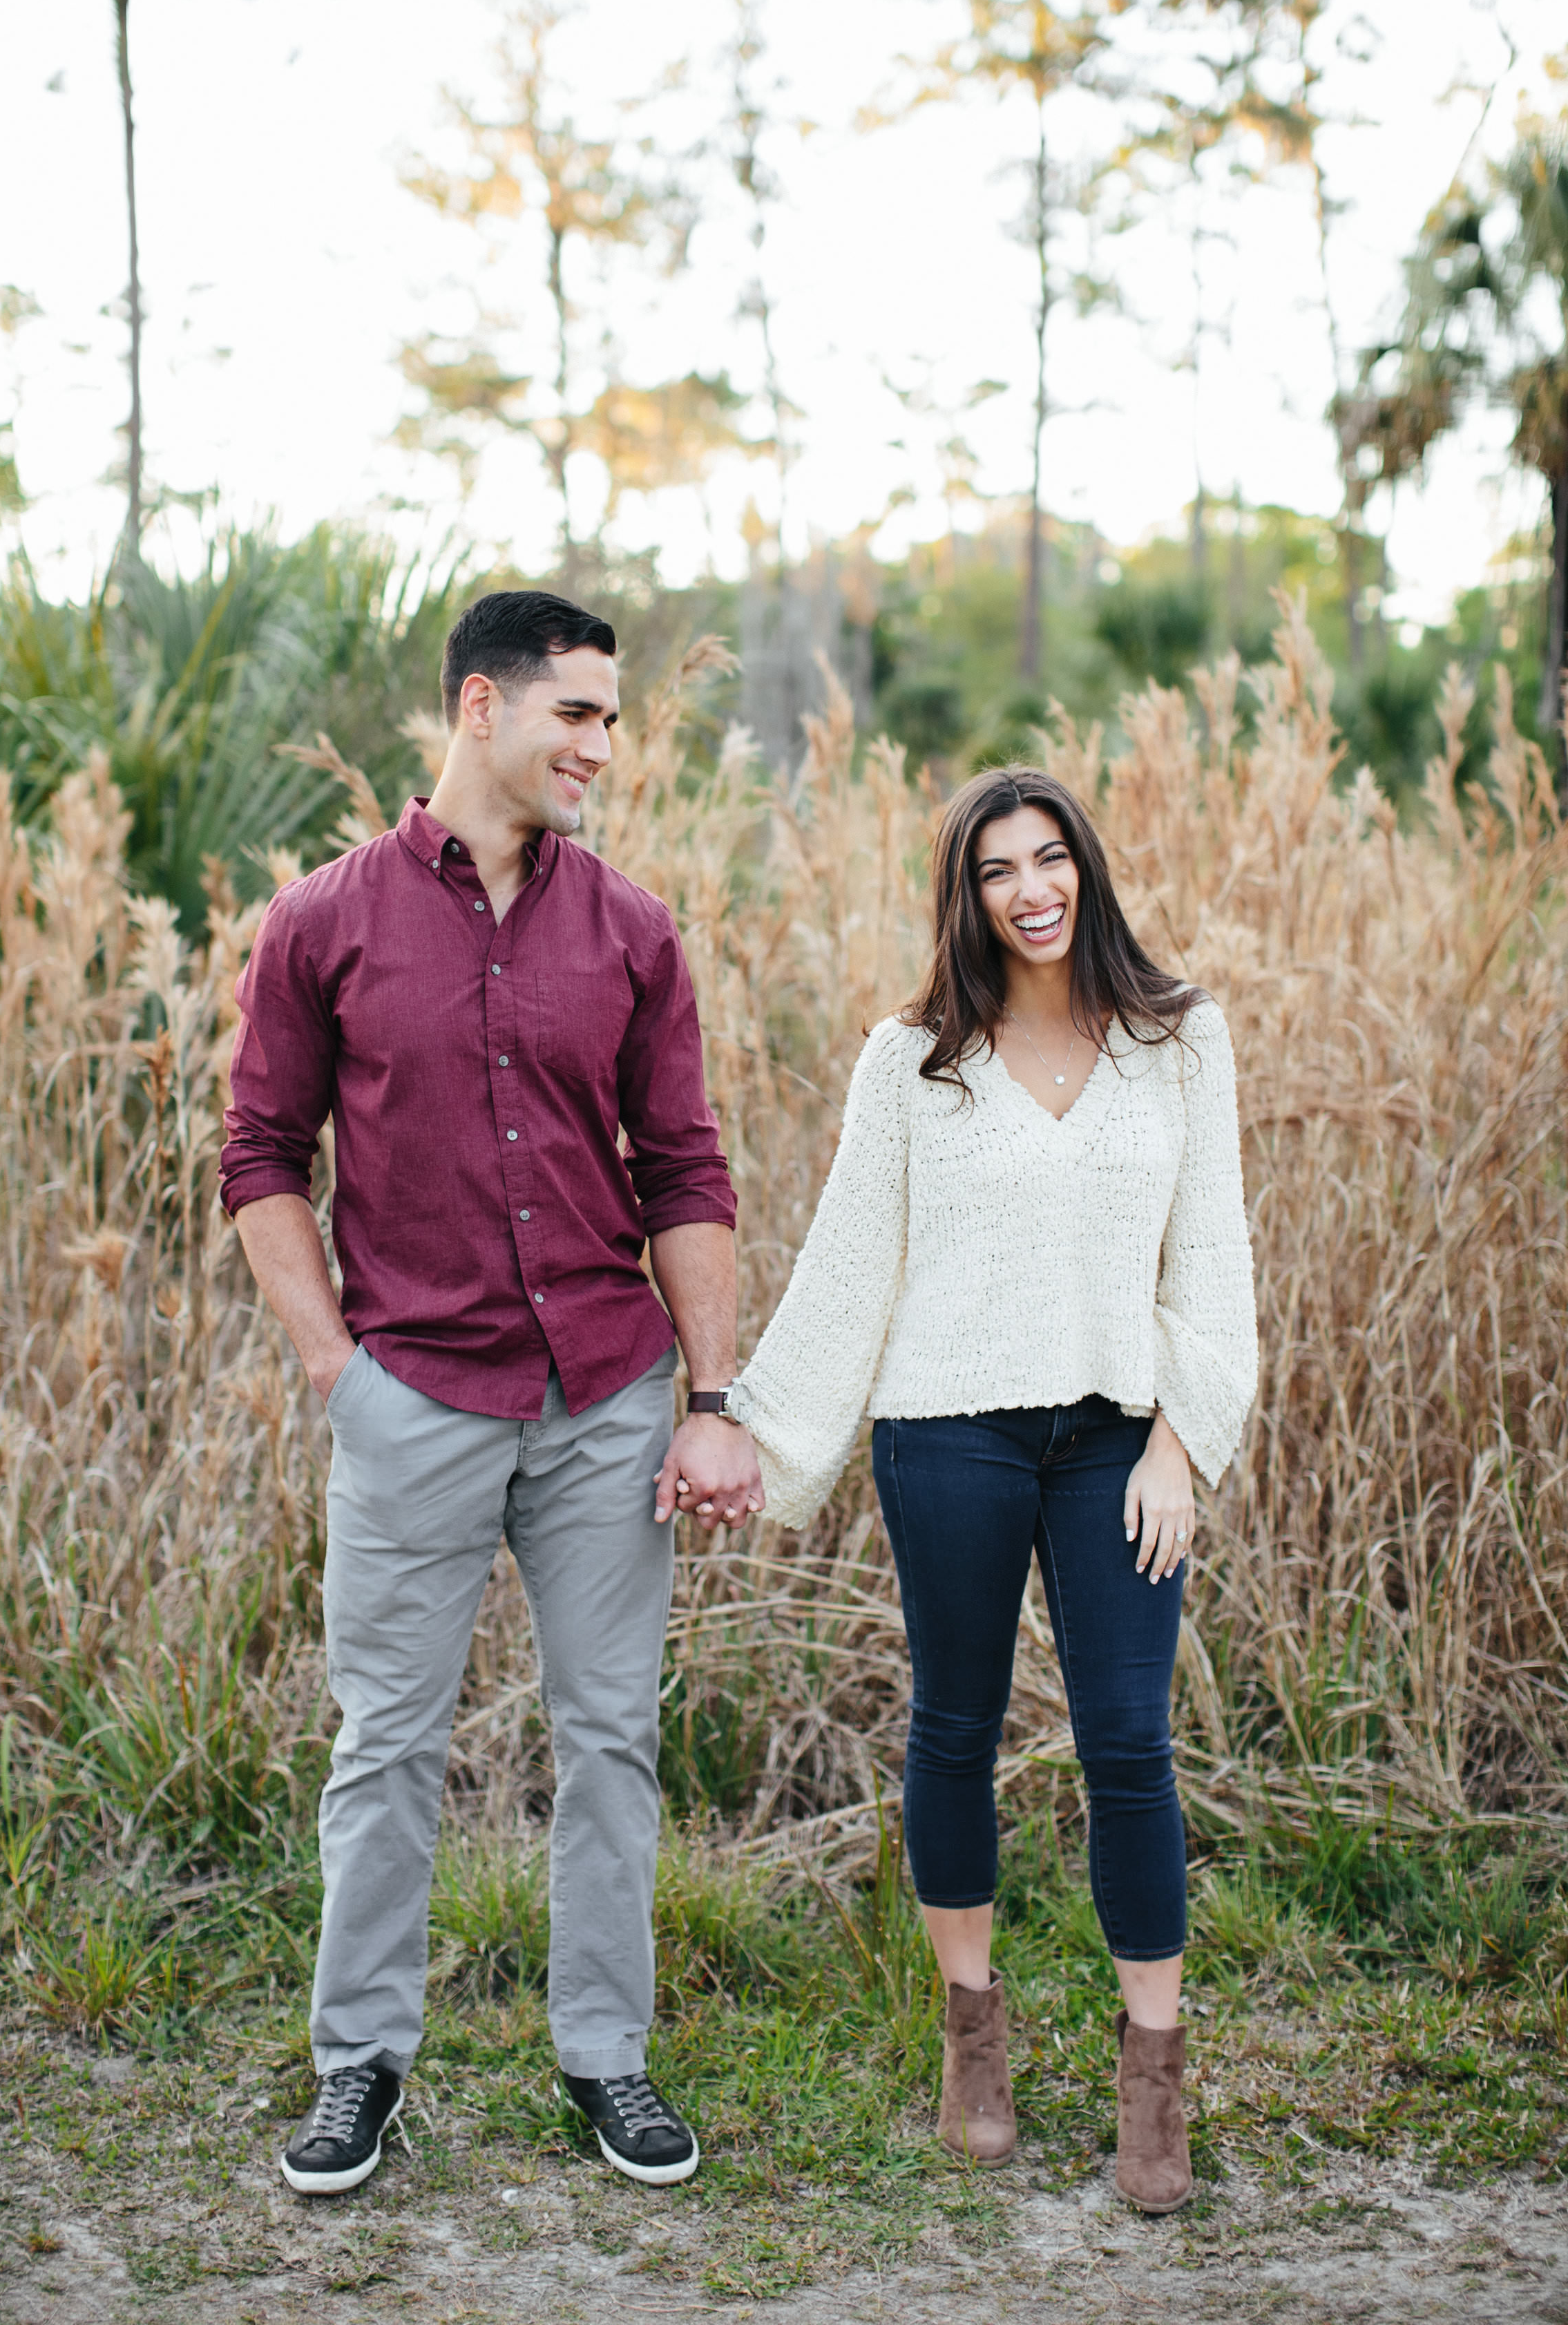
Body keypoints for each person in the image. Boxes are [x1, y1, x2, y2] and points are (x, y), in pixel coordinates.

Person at [220, 589, 764, 2198]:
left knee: (610, 1742)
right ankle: (360, 2069)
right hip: (416, 1398)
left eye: (613, 718)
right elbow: (263, 1155)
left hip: (607, 1394)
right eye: (577, 713)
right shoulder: (322, 922)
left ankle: (608, 2061)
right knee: (386, 1744)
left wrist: (712, 1395)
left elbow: (684, 1168)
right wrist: (339, 1373)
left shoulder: (635, 931)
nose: (604, 743)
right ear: (481, 707)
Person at [727, 765, 1256, 2212]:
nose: (1030, 891)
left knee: (1129, 1743)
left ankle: (1156, 2075)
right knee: (953, 1727)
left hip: (1114, 1440)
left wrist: (1181, 1443)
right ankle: (976, 2039)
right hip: (946, 1430)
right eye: (996, 871)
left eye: (1050, 859)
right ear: (962, 897)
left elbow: (1213, 1259)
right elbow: (847, 1272)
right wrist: (743, 1428)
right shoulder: (910, 1064)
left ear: (1087, 867)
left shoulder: (1178, 1041)